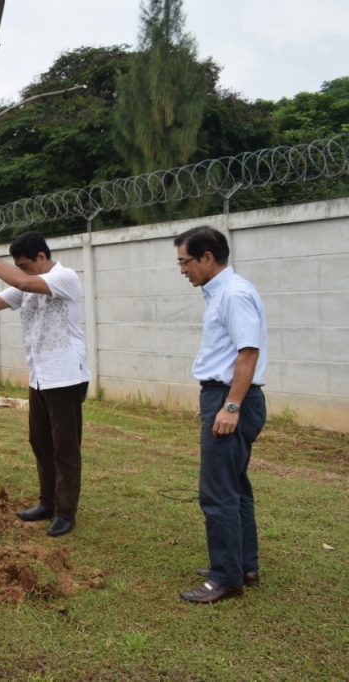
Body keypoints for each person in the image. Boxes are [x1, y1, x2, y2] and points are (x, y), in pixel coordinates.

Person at [0, 230, 90, 537]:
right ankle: (47, 503)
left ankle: (65, 512)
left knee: (64, 448)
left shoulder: (64, 277)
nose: (22, 270)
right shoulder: (26, 284)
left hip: (66, 377)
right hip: (40, 378)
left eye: (25, 264)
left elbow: (23, 281)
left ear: (42, 257)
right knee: (40, 443)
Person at [174, 226, 267, 604]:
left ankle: (225, 577)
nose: (183, 270)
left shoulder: (234, 293)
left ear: (208, 257)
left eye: (185, 262)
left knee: (216, 493)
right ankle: (244, 564)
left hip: (233, 400)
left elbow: (247, 353)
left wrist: (229, 405)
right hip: (226, 396)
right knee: (235, 488)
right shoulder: (221, 292)